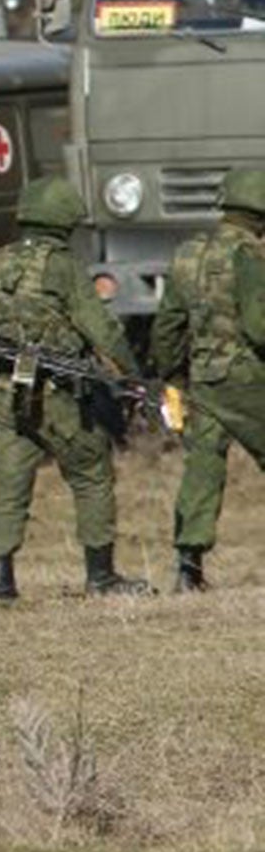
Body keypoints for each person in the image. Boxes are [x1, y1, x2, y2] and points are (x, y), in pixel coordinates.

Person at [0, 176, 148, 601]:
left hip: (4, 394)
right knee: (92, 473)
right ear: (64, 221)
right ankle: (102, 576)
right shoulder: (62, 266)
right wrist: (132, 375)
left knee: (9, 483)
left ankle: (1, 582)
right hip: (56, 394)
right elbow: (101, 327)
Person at [152, 168, 265, 592]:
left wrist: (173, 377)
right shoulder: (250, 255)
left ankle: (188, 568)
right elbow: (259, 327)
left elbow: (167, 327)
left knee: (202, 470)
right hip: (249, 380)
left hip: (203, 381)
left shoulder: (188, 254)